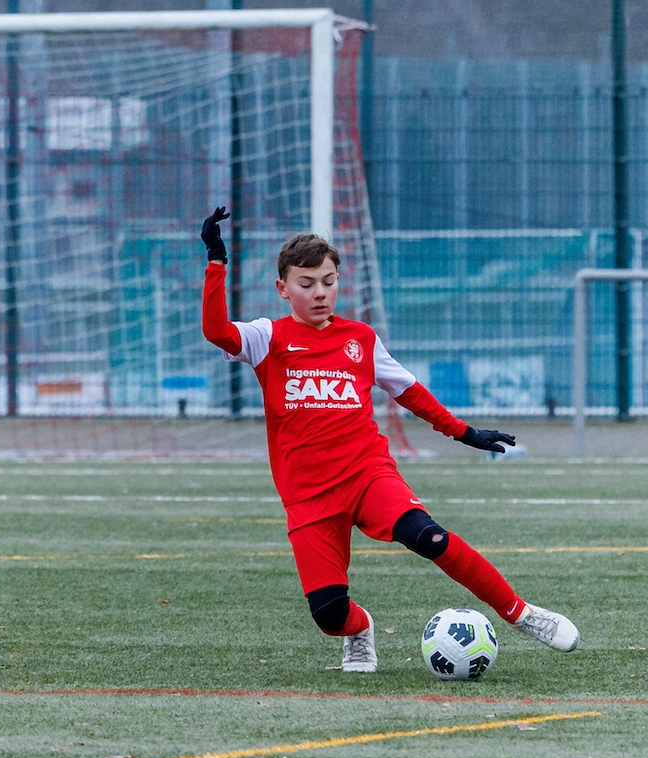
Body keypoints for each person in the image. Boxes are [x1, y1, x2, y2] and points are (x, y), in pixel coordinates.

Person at [199, 208, 579, 672]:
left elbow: (410, 392)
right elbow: (216, 331)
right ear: (283, 288)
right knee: (329, 615)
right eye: (306, 283)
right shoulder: (268, 337)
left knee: (429, 537)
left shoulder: (360, 339)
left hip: (367, 474)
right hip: (307, 494)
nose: (320, 293)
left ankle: (521, 613)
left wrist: (465, 433)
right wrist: (216, 262)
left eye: (328, 281)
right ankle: (359, 630)